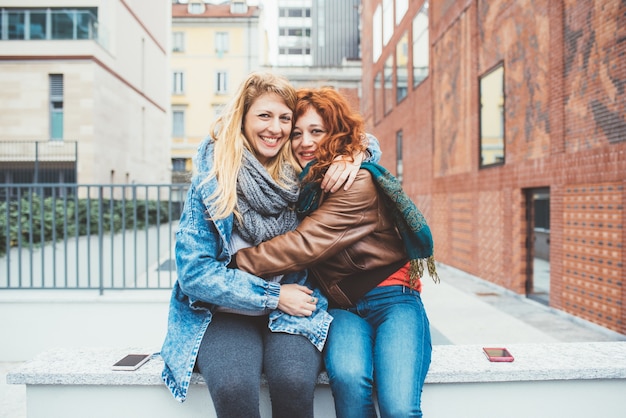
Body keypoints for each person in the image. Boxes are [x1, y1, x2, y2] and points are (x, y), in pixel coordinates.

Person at [159, 72, 376, 418]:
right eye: (264, 115)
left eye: (284, 118)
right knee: (233, 386)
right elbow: (194, 272)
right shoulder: (214, 176)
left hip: (295, 310)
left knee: (292, 380)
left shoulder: (304, 169)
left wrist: (354, 156)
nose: (275, 128)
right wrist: (273, 296)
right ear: (242, 119)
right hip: (225, 311)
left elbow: (358, 138)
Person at [230, 87, 439, 418]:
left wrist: (234, 263)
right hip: (342, 308)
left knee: (398, 406)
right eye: (296, 134)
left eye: (316, 131)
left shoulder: (356, 183)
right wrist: (360, 150)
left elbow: (303, 244)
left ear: (336, 133)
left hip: (392, 300)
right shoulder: (305, 184)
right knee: (350, 382)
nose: (304, 142)